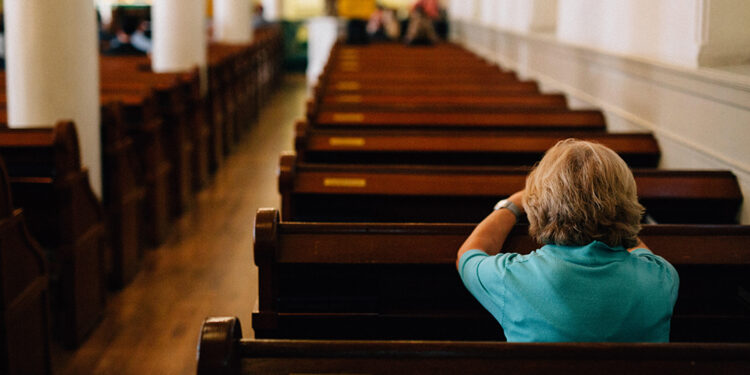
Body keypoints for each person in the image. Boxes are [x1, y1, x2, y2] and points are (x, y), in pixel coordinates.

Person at [457, 139, 679, 342]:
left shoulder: (512, 277)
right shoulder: (661, 278)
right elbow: (636, 246)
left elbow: (470, 253)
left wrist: (514, 204)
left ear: (538, 204)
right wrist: (615, 218)